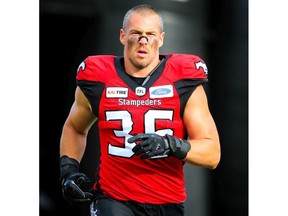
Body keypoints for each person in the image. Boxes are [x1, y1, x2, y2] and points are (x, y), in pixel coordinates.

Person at [59, 4, 221, 216]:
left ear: (161, 39)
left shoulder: (183, 81)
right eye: (136, 33)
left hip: (168, 201)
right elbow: (75, 127)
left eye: (150, 34)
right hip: (113, 198)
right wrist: (68, 169)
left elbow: (212, 154)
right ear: (122, 36)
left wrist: (169, 144)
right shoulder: (99, 78)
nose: (143, 41)